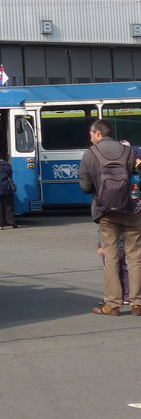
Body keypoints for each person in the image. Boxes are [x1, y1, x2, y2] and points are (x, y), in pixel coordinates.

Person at [79, 119, 141, 316]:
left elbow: (85, 186)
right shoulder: (128, 151)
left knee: (111, 257)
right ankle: (137, 302)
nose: (90, 137)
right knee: (135, 257)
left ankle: (112, 304)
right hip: (131, 209)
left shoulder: (90, 153)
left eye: (91, 133)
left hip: (106, 212)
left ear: (98, 133)